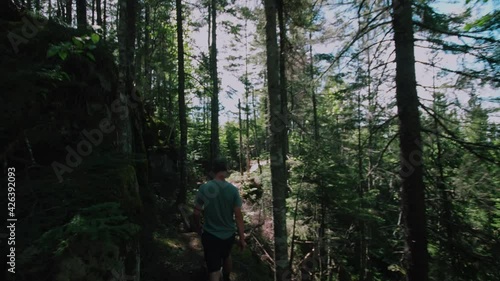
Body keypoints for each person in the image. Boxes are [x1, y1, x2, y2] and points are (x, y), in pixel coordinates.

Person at [193, 158, 247, 281]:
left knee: (214, 269)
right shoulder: (233, 190)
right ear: (225, 172)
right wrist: (242, 239)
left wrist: (198, 229)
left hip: (210, 234)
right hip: (228, 234)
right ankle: (227, 278)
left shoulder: (204, 188)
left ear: (213, 171)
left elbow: (196, 213)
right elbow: (238, 216)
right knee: (227, 255)